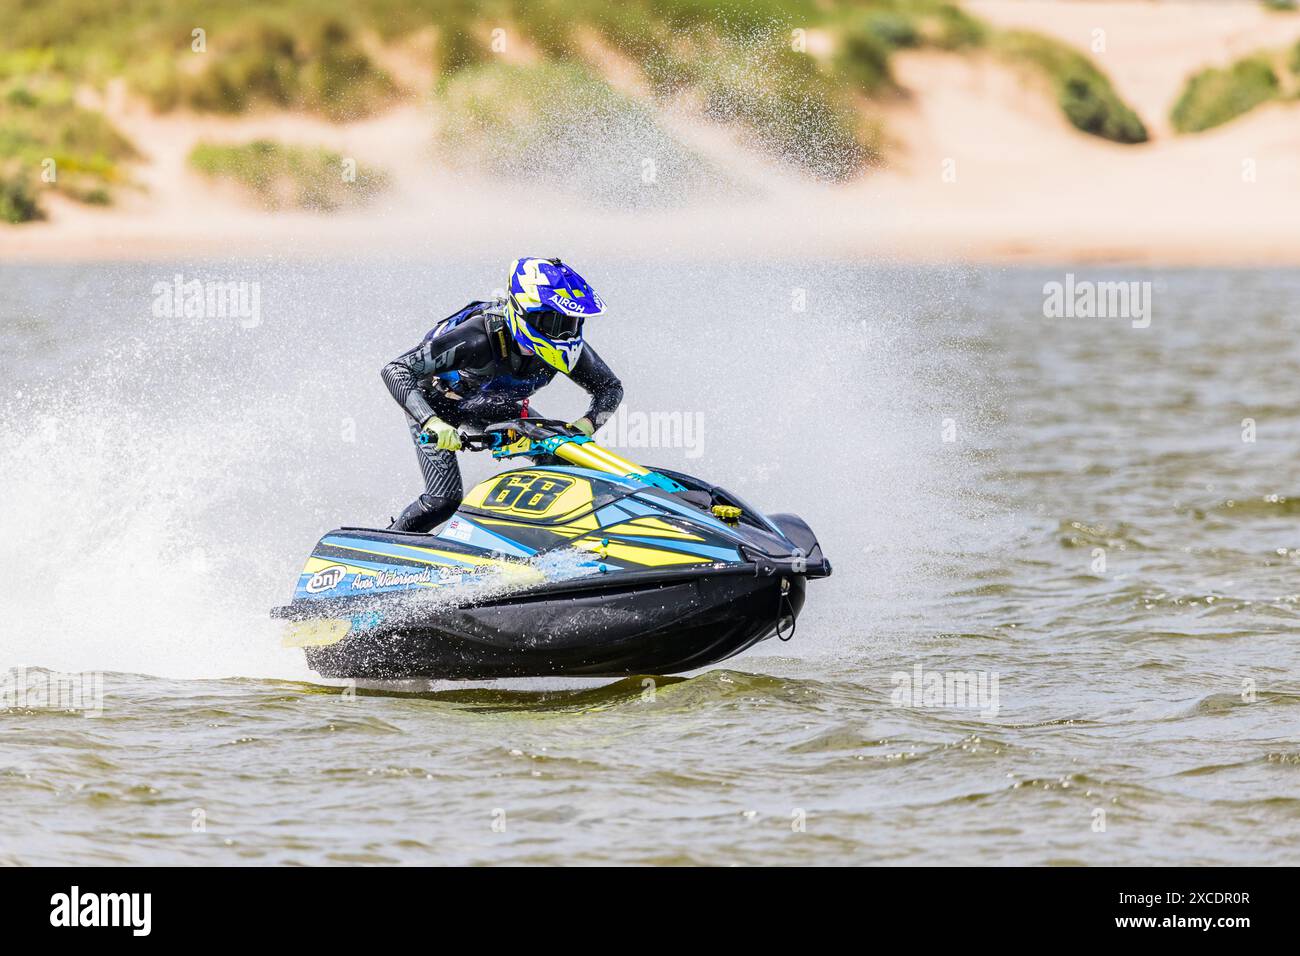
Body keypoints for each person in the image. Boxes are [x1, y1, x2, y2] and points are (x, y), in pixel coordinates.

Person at [381, 257, 623, 533]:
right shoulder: (478, 338)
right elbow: (396, 370)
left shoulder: (565, 346)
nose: (566, 332)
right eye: (556, 321)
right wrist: (430, 421)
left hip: (496, 407)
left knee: (568, 463)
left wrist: (586, 425)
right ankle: (380, 550)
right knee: (443, 501)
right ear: (526, 312)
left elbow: (610, 388)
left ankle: (569, 541)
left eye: (573, 322)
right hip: (435, 405)